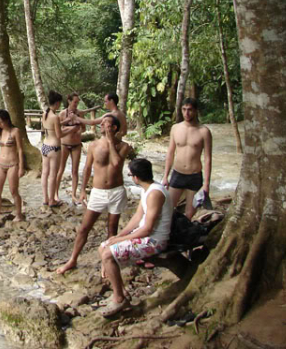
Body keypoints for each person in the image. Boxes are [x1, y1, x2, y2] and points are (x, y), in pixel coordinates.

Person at [56, 114, 132, 274]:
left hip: (116, 191)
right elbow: (87, 168)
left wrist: (111, 141)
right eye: (102, 123)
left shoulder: (123, 146)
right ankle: (73, 259)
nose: (102, 125)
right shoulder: (93, 145)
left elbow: (117, 164)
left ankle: (107, 262)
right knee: (84, 228)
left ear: (114, 128)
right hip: (98, 192)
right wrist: (82, 190)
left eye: (106, 123)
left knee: (112, 229)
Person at [98, 158, 173, 317]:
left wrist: (118, 241)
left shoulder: (155, 193)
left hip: (154, 241)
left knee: (107, 254)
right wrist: (118, 236)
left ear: (136, 177)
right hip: (145, 236)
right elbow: (137, 218)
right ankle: (121, 293)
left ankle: (119, 299)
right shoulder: (147, 190)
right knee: (103, 246)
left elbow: (147, 229)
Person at [162, 98, 213, 220]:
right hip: (178, 173)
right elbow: (170, 153)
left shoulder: (204, 131)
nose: (186, 113)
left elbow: (207, 158)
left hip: (194, 175)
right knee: (168, 209)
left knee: (189, 214)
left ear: (195, 111)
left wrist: (206, 184)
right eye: (184, 110)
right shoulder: (175, 128)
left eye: (190, 110)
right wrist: (165, 176)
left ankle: (184, 235)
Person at [55, 93, 89, 202]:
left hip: (76, 144)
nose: (76, 104)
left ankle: (74, 194)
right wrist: (69, 124)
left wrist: (79, 131)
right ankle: (55, 194)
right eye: (75, 102)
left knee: (75, 170)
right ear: (69, 101)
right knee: (61, 169)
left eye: (77, 102)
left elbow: (83, 128)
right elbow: (57, 127)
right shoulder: (62, 113)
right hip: (64, 144)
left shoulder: (80, 113)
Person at [41, 91, 63, 207]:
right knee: (53, 175)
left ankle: (45, 199)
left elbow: (50, 129)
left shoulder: (44, 114)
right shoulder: (55, 117)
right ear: (57, 103)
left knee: (44, 173)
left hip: (45, 146)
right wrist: (70, 130)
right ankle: (52, 200)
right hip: (54, 147)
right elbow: (59, 135)